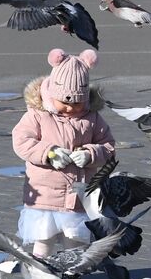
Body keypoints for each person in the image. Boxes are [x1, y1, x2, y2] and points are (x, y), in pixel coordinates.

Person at [11, 48, 115, 259]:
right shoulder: (37, 115)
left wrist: (90, 154)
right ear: (52, 94)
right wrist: (49, 153)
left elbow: (109, 147)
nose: (70, 108)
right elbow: (21, 141)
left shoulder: (92, 118)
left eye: (77, 103)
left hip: (77, 197)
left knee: (75, 245)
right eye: (65, 102)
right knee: (43, 244)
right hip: (44, 197)